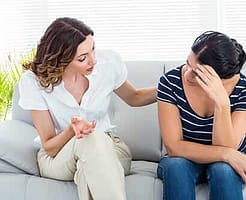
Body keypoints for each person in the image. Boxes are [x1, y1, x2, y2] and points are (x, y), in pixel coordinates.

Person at [18, 17, 156, 200]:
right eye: (83, 58)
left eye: (93, 49)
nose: (93, 60)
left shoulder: (108, 65)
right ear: (62, 60)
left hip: (110, 148)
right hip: (58, 157)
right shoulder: (34, 82)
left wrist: (172, 86)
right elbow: (50, 148)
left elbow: (135, 97)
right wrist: (71, 130)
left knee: (89, 166)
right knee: (89, 140)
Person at [156, 31, 246, 200]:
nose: (187, 74)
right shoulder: (170, 82)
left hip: (232, 160)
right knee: (176, 166)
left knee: (223, 169)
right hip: (185, 158)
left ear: (219, 78)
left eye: (198, 73)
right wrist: (227, 154)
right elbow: (174, 147)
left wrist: (221, 103)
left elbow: (227, 146)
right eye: (187, 63)